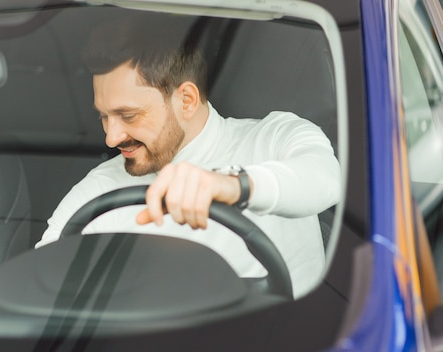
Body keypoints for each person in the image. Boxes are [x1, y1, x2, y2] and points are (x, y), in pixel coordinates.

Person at [36, 15, 341, 299]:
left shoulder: (275, 138)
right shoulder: (101, 190)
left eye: (128, 115)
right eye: (104, 116)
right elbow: (40, 283)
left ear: (186, 100)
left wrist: (230, 185)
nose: (111, 137)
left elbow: (327, 180)